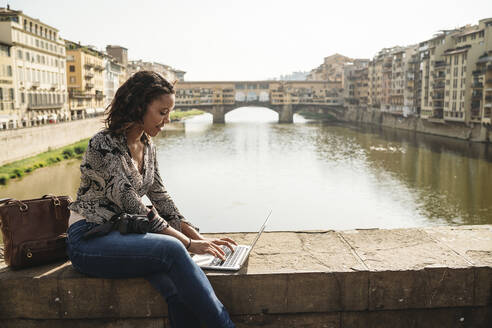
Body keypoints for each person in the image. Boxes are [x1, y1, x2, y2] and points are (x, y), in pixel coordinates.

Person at [66, 70, 237, 328]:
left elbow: (161, 197)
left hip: (127, 236)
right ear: (138, 107)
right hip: (89, 239)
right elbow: (132, 203)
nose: (167, 120)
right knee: (173, 249)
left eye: (169, 112)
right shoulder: (103, 144)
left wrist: (200, 239)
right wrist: (188, 243)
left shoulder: (148, 145)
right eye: (162, 112)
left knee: (177, 290)